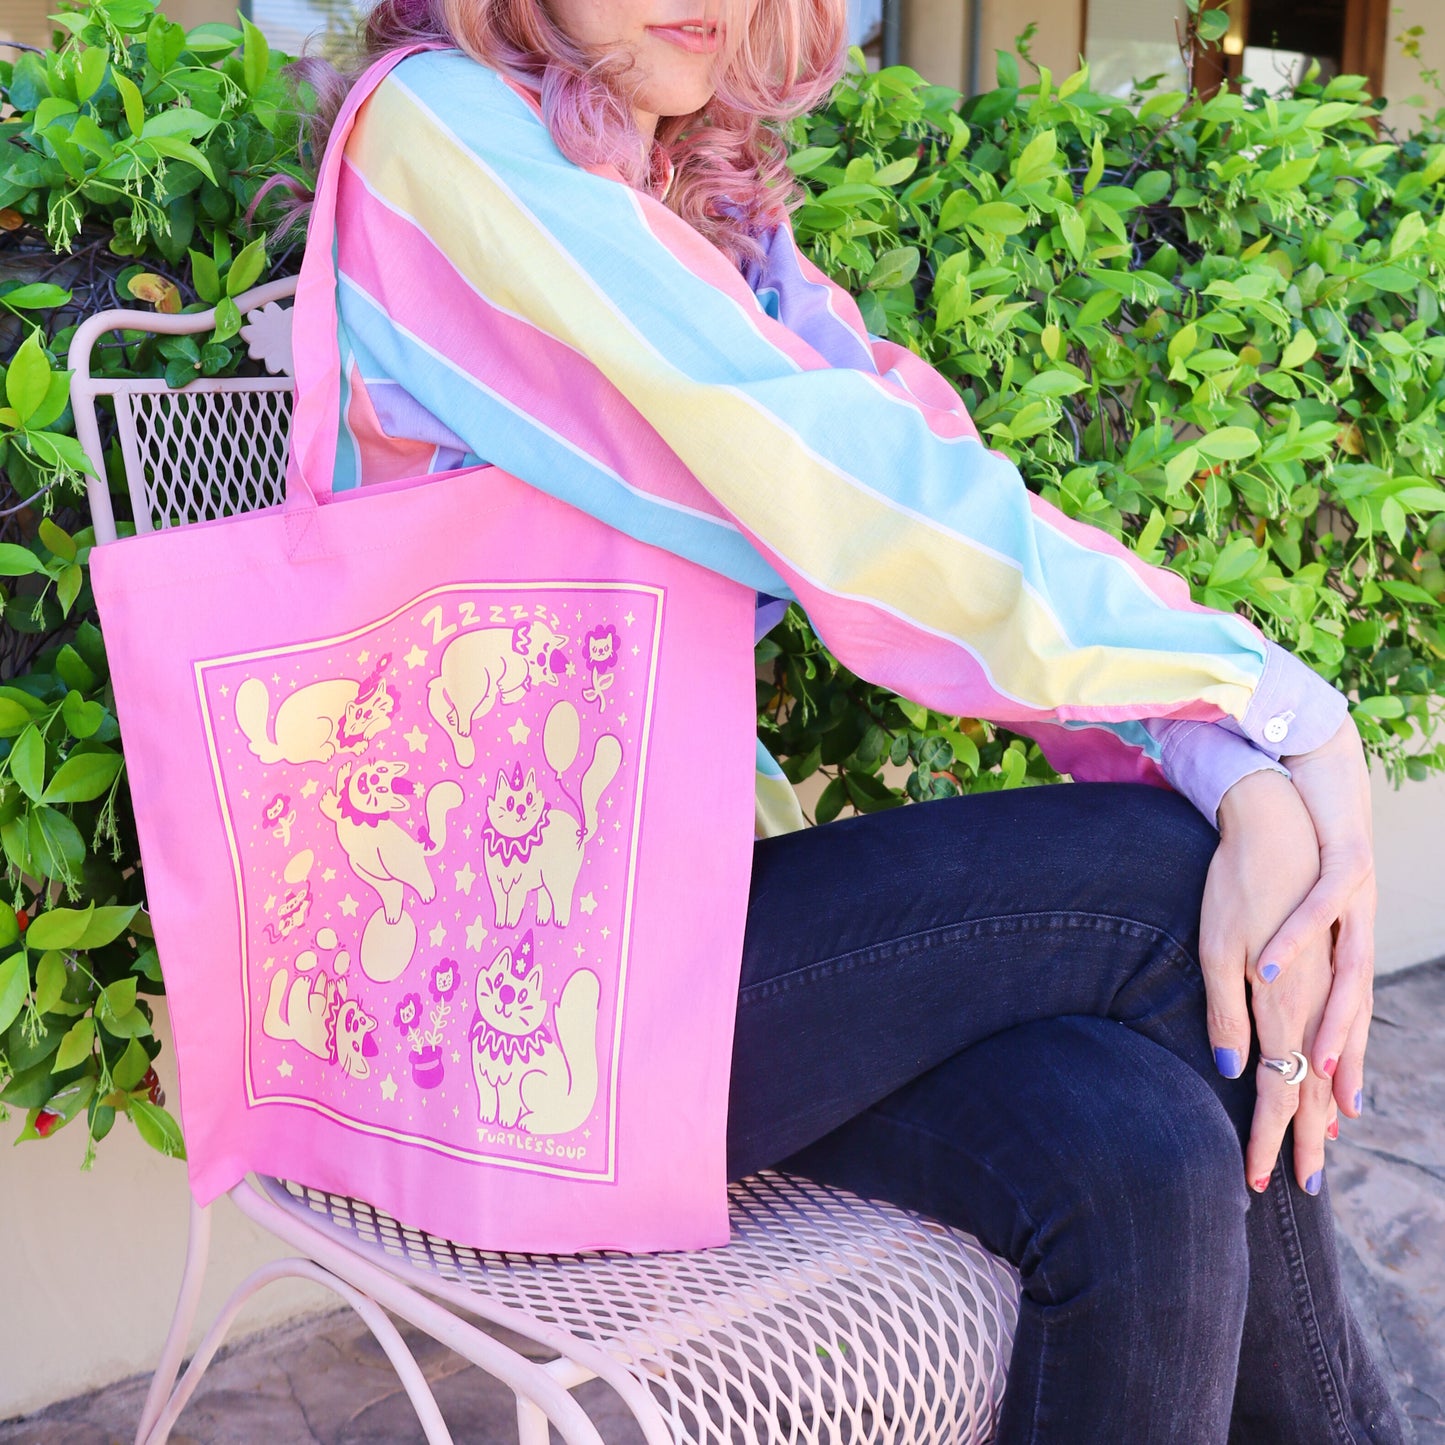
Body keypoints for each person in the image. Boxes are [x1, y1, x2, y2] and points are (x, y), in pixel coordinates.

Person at [276, 0, 1403, 1436]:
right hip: (471, 1017)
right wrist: (1268, 710)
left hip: (660, 966)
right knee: (1171, 881)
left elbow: (922, 458)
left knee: (1147, 1148)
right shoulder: (438, 135)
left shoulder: (686, 195)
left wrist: (1224, 756)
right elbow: (836, 489)